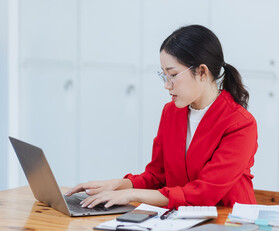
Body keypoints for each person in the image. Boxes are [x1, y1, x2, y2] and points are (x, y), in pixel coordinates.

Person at [66, 25, 258, 210]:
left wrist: (132, 195)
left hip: (230, 223)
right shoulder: (171, 112)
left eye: (173, 75)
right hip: (181, 221)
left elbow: (204, 193)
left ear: (202, 72)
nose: (167, 85)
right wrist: (118, 185)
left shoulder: (240, 124)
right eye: (164, 75)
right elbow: (157, 176)